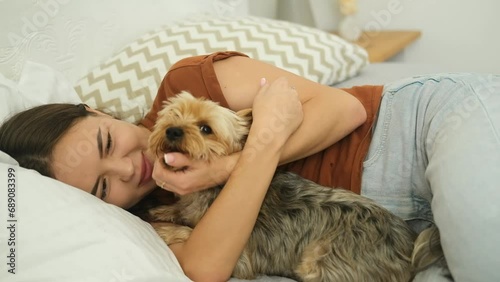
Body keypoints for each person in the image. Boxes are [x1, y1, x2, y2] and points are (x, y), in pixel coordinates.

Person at [0, 51, 499, 282]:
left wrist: (225, 166)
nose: (129, 169)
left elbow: (344, 110)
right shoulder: (155, 222)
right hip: (390, 233)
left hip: (418, 128)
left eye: (109, 141)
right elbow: (206, 268)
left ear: (97, 111)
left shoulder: (188, 86)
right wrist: (242, 158)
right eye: (103, 189)